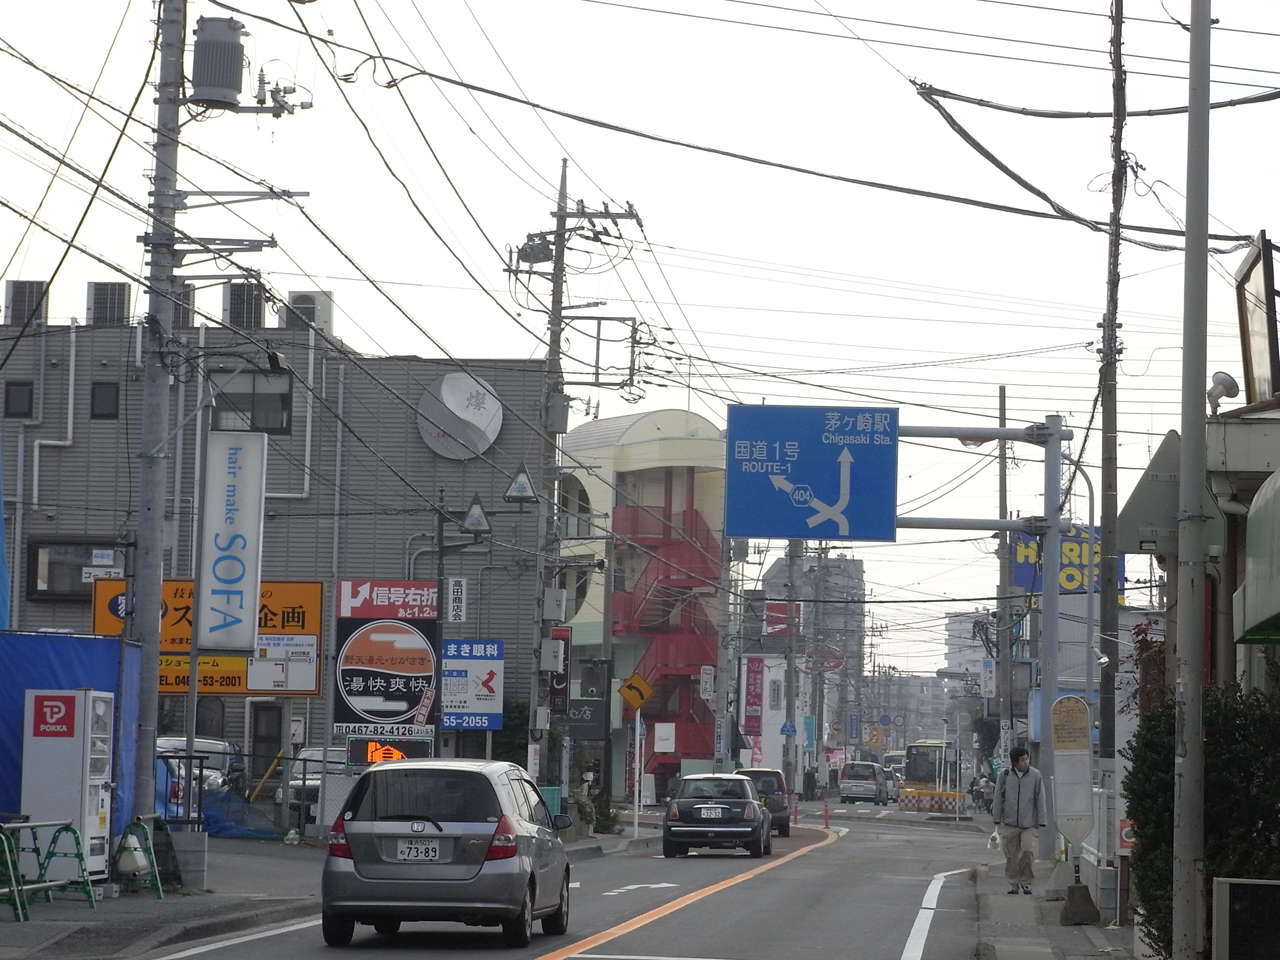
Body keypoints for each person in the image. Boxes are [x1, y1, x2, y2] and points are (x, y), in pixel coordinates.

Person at [990, 746, 1046, 895]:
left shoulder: (1035, 775)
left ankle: (1026, 882)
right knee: (1011, 855)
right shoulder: (1005, 775)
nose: (1026, 762)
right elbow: (998, 798)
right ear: (1015, 762)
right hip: (1009, 822)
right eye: (1022, 760)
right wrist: (996, 818)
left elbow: (1040, 798)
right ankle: (1013, 883)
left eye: (1027, 759)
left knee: (1027, 851)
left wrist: (1041, 819)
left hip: (1028, 822)